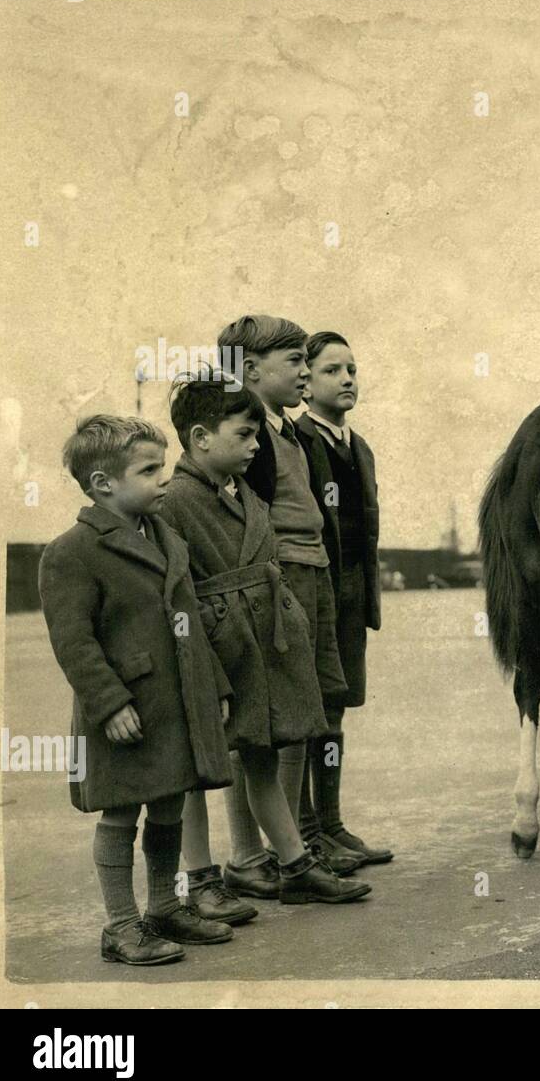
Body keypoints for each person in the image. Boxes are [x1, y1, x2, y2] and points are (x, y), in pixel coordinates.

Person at [159, 375, 370, 910]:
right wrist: (207, 666)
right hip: (214, 649)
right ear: (202, 437)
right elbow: (175, 598)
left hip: (259, 644)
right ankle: (202, 881)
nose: (257, 446)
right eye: (246, 435)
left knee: (261, 759)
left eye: (258, 435)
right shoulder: (176, 502)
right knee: (195, 769)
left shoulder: (245, 491)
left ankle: (296, 866)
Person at [39, 415, 234, 964]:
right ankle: (122, 926)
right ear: (104, 484)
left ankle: (165, 909)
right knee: (122, 812)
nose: (164, 479)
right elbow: (73, 643)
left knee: (169, 804)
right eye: (149, 471)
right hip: (125, 710)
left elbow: (190, 619)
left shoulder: (165, 536)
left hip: (174, 705)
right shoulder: (71, 551)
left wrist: (213, 684)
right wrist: (109, 704)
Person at [218, 314, 363, 883]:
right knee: (266, 724)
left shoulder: (282, 430)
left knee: (307, 712)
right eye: (296, 362)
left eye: (309, 361)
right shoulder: (249, 438)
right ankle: (267, 855)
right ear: (251, 371)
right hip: (282, 580)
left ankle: (297, 845)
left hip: (312, 571)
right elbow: (245, 525)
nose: (306, 372)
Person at [295, 331, 391, 865]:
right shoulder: (296, 442)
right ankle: (307, 832)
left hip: (350, 596)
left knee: (335, 711)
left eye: (352, 368)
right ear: (305, 384)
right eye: (333, 370)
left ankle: (331, 824)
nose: (348, 378)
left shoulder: (360, 448)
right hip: (312, 596)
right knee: (308, 712)